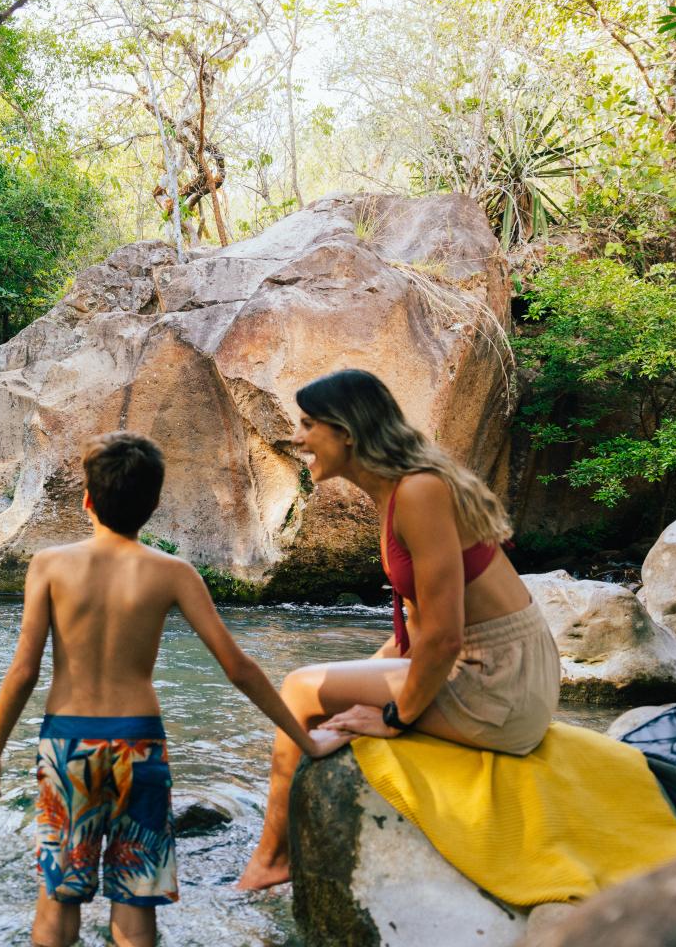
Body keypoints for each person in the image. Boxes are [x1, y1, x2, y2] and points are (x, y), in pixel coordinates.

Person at [0, 432, 349, 947]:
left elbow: (24, 672)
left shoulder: (49, 565)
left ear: (87, 499)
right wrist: (308, 741)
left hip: (68, 745)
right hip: (140, 746)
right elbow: (239, 668)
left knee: (58, 899)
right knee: (135, 902)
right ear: (154, 504)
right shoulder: (173, 573)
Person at [237, 369, 561, 891]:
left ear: (346, 431)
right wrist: (357, 685)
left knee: (300, 687)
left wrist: (398, 715)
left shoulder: (419, 492)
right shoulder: (401, 491)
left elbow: (444, 636)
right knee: (325, 703)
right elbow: (417, 626)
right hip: (499, 668)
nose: (297, 438)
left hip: (499, 681)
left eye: (307, 424)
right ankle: (280, 841)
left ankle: (272, 860)